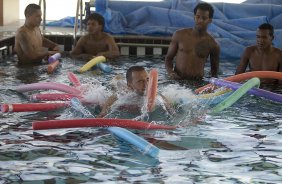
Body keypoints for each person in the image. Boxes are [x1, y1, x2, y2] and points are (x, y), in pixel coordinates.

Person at [165, 2, 220, 80]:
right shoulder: (179, 35)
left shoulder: (213, 44)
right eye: (198, 17)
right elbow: (168, 58)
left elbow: (214, 73)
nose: (200, 20)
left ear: (210, 20)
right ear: (194, 17)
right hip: (177, 82)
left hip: (198, 83)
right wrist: (171, 73)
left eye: (204, 18)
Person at [97, 66, 173, 118]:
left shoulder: (157, 95)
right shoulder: (121, 95)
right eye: (140, 81)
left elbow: (172, 112)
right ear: (130, 85)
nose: (146, 85)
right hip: (125, 88)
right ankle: (117, 79)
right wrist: (103, 113)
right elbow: (103, 114)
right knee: (115, 85)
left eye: (147, 79)